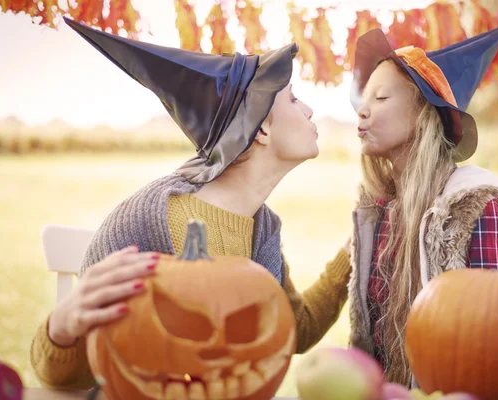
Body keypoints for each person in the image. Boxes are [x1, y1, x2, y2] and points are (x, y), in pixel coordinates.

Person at [30, 18, 351, 390]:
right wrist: (61, 326)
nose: (310, 110)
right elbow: (67, 372)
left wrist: (351, 255)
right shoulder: (150, 218)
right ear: (261, 127)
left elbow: (292, 329)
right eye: (294, 99)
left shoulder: (263, 229)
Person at [346, 23, 498, 386]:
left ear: (422, 115)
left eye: (381, 98)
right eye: (363, 99)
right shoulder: (378, 212)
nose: (362, 111)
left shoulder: (477, 209)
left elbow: (496, 343)